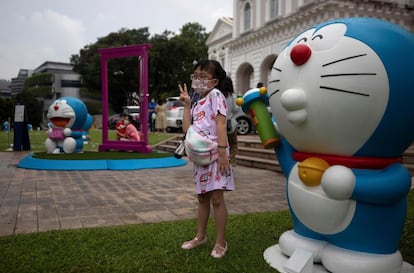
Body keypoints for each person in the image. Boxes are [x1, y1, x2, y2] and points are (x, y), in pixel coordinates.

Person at [178, 59, 235, 259]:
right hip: (201, 157)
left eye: (203, 76)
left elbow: (220, 123)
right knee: (202, 198)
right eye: (196, 76)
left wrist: (222, 153)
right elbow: (187, 130)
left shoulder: (215, 95)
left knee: (217, 199)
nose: (198, 80)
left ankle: (221, 242)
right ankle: (200, 236)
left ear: (215, 81)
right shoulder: (196, 102)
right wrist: (186, 105)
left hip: (216, 154)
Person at [221, 77, 239, 167]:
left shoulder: (218, 95)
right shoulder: (232, 96)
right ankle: (231, 164)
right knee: (232, 145)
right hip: (231, 124)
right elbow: (236, 110)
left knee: (222, 144)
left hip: (220, 125)